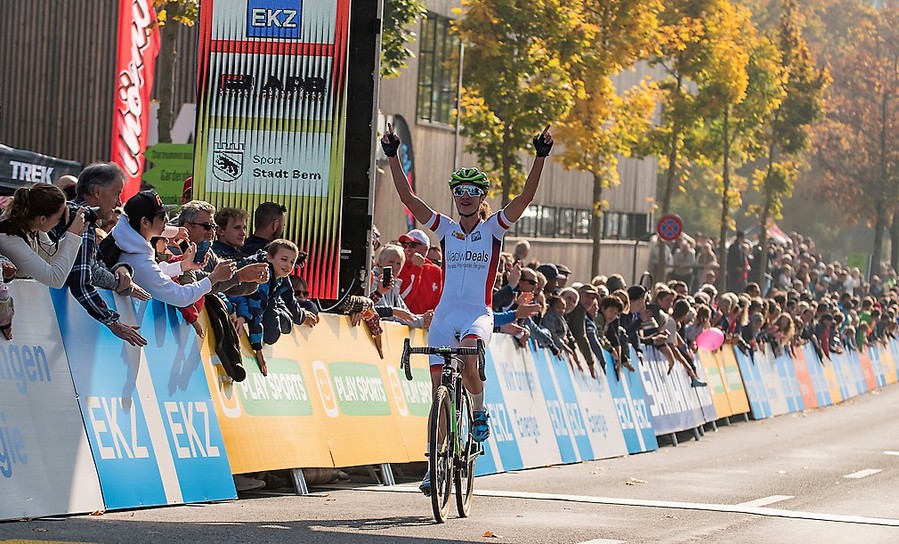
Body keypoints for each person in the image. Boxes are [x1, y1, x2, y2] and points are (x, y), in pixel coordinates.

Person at [381, 122, 553, 495]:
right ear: (455, 197)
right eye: (460, 192)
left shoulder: (493, 228)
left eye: (473, 192)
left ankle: (477, 411)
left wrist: (540, 157)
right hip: (444, 316)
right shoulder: (444, 228)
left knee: (471, 361)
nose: (466, 197)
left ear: (481, 198)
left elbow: (524, 197)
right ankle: (433, 465)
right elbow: (409, 199)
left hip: (478, 312)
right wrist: (393, 156)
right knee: (437, 390)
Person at [63, 163, 149, 347]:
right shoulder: (81, 219)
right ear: (96, 191)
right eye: (117, 193)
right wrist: (113, 321)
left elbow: (97, 262)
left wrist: (122, 270)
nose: (118, 202)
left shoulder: (81, 217)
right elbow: (81, 279)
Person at [110, 190, 236, 308]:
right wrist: (214, 278)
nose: (167, 219)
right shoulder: (137, 258)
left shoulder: (126, 240)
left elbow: (156, 272)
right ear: (145, 222)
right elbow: (180, 296)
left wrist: (182, 266)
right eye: (161, 216)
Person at [228, 239, 318, 376]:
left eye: (292, 262)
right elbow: (255, 311)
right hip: (238, 300)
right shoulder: (263, 276)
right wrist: (258, 350)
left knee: (279, 327)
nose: (288, 266)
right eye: (284, 259)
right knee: (271, 334)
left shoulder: (283, 276)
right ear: (270, 257)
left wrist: (302, 317)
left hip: (265, 303)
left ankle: (280, 312)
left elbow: (291, 301)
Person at [0, 184, 86, 288]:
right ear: (43, 219)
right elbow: (55, 280)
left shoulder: (33, 224)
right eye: (59, 217)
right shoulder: (8, 237)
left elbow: (49, 256)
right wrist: (72, 235)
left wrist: (77, 233)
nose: (60, 221)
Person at [396, 228, 443, 314]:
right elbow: (403, 301)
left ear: (425, 249)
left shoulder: (436, 272)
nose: (407, 249)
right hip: (402, 323)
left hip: (427, 325)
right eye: (404, 245)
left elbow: (439, 303)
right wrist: (416, 268)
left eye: (412, 245)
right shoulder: (399, 267)